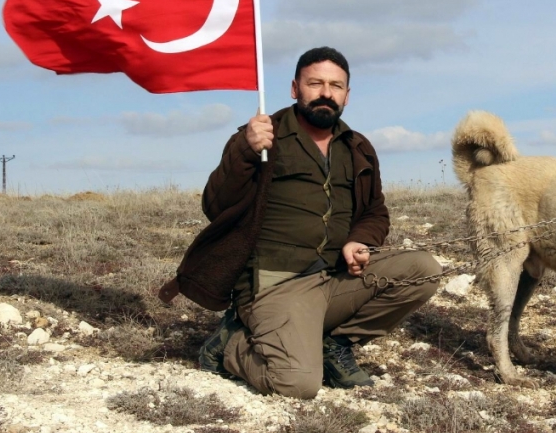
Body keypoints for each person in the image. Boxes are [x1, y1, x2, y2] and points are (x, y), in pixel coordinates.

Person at [158, 46, 442, 398]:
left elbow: (374, 211)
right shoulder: (262, 137)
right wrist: (245, 150)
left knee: (424, 269)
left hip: (338, 277)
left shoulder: (358, 147)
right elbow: (215, 205)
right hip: (278, 284)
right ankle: (230, 343)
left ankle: (334, 344)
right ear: (295, 89)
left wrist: (359, 240)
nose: (326, 93)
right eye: (315, 83)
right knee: (297, 383)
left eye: (336, 86)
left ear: (347, 95)